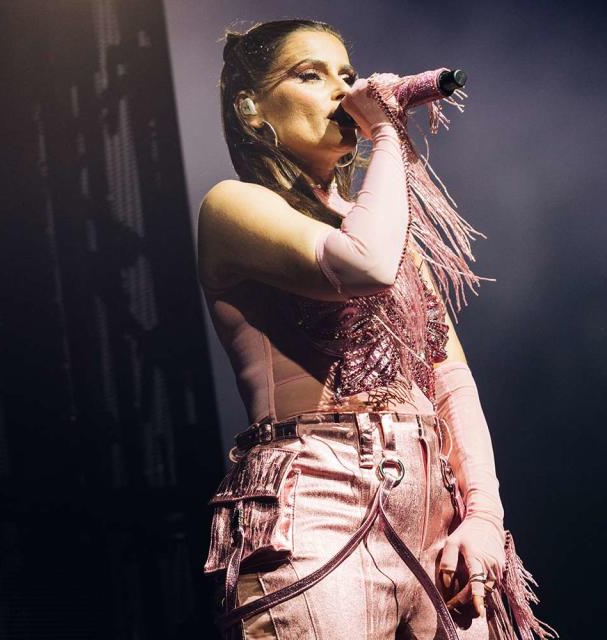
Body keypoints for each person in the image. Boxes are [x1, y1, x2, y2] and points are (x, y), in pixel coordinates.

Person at [196, 19, 556, 640]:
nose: (343, 90)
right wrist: (387, 133)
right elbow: (361, 264)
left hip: (437, 511)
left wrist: (484, 518)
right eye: (310, 75)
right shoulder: (233, 206)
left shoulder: (380, 226)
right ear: (251, 106)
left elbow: (450, 381)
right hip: (315, 499)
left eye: (346, 74)